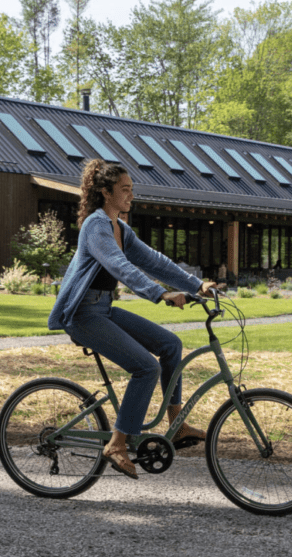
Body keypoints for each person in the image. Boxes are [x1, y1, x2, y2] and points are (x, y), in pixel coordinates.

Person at [48, 160, 218, 479]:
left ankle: (176, 425)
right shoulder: (96, 226)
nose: (131, 195)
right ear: (105, 192)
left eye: (131, 189)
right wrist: (159, 294)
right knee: (146, 367)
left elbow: (153, 260)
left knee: (170, 344)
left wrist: (197, 285)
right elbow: (119, 266)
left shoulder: (121, 229)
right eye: (125, 189)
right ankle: (116, 443)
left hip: (104, 309)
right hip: (82, 314)